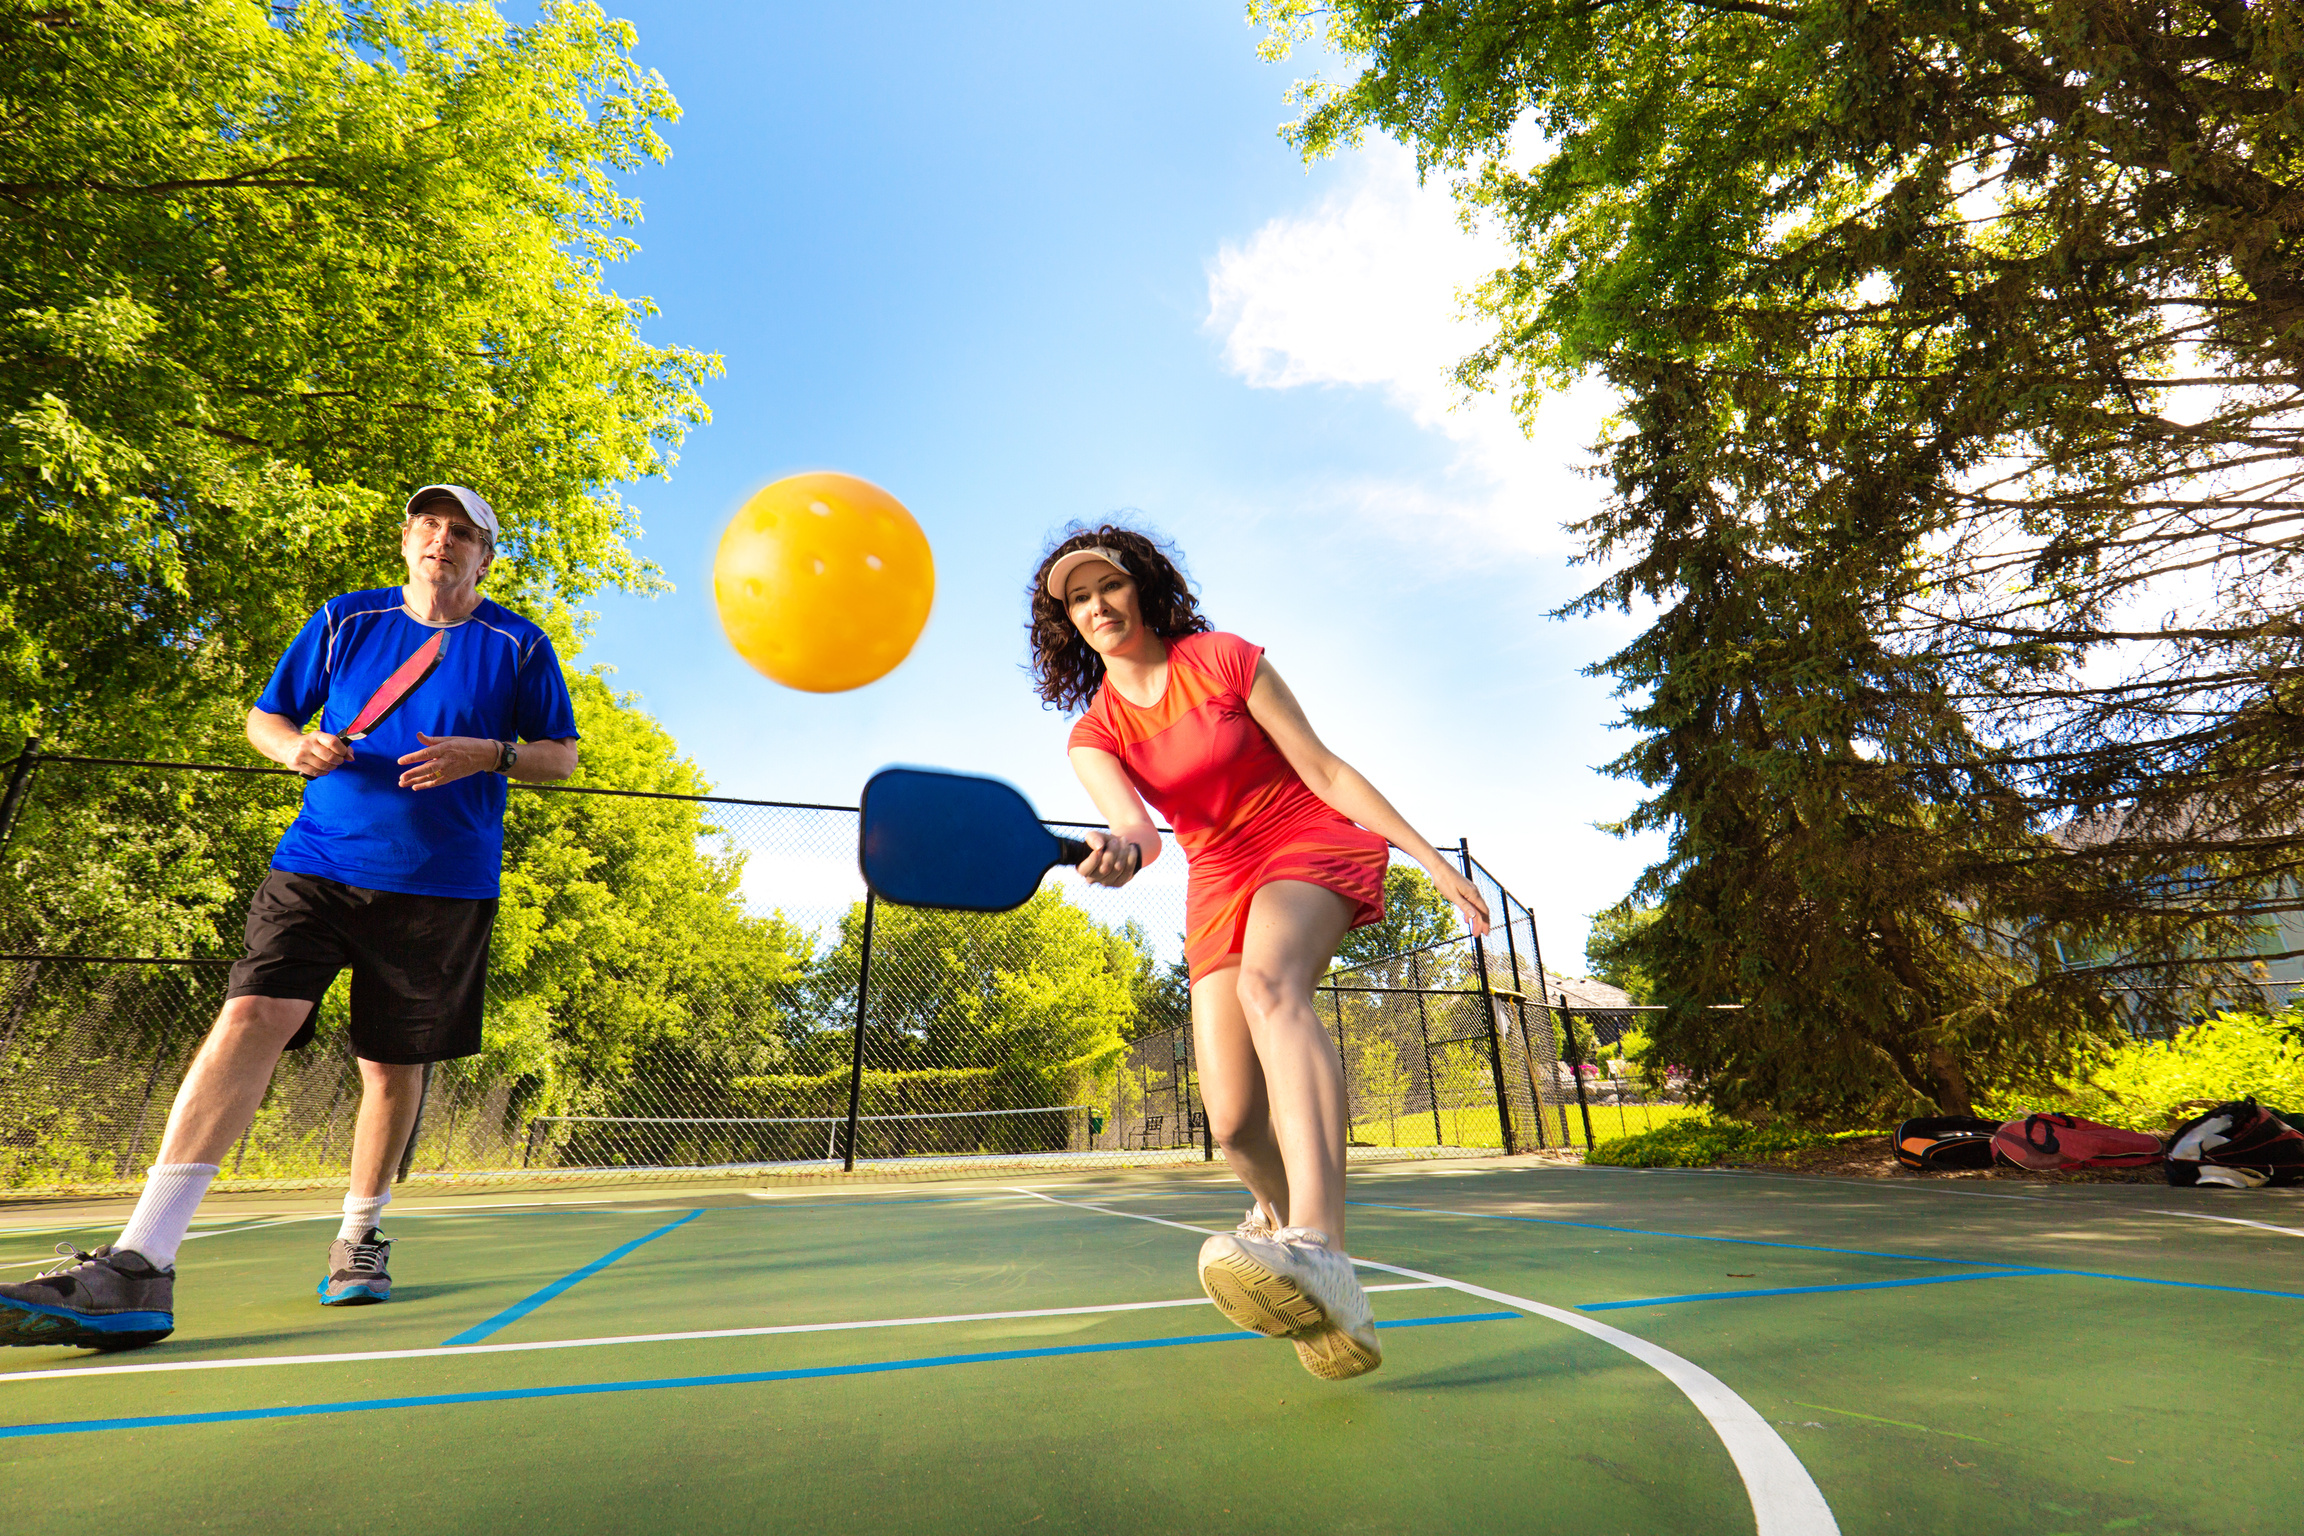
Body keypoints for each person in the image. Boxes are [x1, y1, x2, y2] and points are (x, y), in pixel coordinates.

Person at [0, 485, 580, 1351]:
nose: (441, 540)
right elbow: (265, 719)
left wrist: (488, 753)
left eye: (462, 533)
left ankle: (359, 1237)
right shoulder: (346, 621)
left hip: (442, 886)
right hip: (316, 863)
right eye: (427, 525)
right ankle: (141, 1260)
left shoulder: (519, 645)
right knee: (252, 1015)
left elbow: (560, 758)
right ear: (405, 541)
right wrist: (292, 748)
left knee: (389, 1067)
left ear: (486, 557)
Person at [1031, 525, 1489, 1381]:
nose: (1098, 606)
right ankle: (1318, 1279)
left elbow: (1323, 768)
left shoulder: (1224, 659)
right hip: (1216, 877)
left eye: (1111, 587)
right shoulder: (1094, 732)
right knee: (1235, 1121)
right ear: (1067, 622)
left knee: (1273, 988)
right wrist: (1122, 852)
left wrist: (1432, 860)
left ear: (1144, 589)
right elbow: (1138, 830)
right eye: (1078, 598)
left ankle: (1318, 1243)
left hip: (1301, 839)